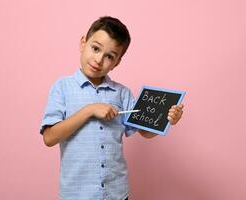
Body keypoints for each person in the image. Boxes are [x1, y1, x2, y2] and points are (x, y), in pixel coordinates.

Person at [40, 16, 184, 200]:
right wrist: (89, 110)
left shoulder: (122, 93)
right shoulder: (62, 88)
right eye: (95, 48)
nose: (99, 59)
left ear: (117, 63)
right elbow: (49, 137)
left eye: (109, 56)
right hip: (76, 194)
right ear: (83, 43)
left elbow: (144, 132)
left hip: (116, 193)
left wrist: (167, 120)